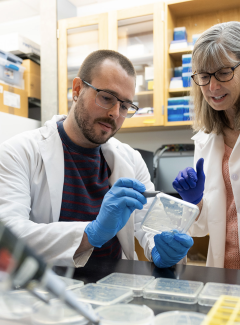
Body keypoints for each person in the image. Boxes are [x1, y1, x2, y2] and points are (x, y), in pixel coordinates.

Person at [0, 50, 193, 268]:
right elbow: (8, 236)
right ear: (77, 89)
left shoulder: (131, 160)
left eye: (125, 106)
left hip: (115, 293)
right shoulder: (18, 152)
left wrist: (164, 250)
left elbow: (150, 226)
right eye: (106, 98)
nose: (115, 113)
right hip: (46, 292)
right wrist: (92, 233)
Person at [172, 21, 240, 269]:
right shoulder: (206, 140)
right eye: (203, 76)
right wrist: (195, 201)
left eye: (224, 73)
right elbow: (202, 228)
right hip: (225, 276)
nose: (212, 87)